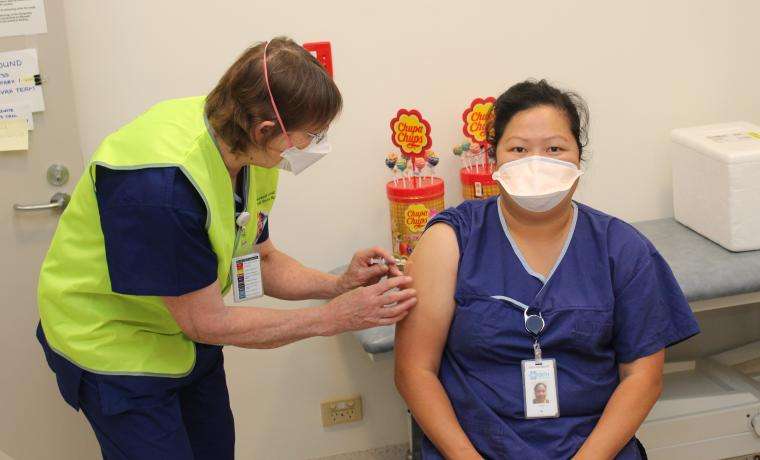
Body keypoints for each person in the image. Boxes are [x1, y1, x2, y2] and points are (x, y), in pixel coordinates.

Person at [36, 37, 417, 460]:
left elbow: (260, 258)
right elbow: (207, 322)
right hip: (111, 343)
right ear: (266, 129)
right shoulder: (162, 186)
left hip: (182, 336)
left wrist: (338, 285)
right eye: (310, 134)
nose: (314, 145)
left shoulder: (252, 154)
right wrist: (333, 318)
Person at [394, 79, 699, 459]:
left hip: (592, 450)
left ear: (578, 157)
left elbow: (643, 378)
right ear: (494, 159)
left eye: (555, 148)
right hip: (474, 448)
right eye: (518, 149)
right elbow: (414, 370)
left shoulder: (621, 248)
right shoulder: (450, 241)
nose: (536, 163)